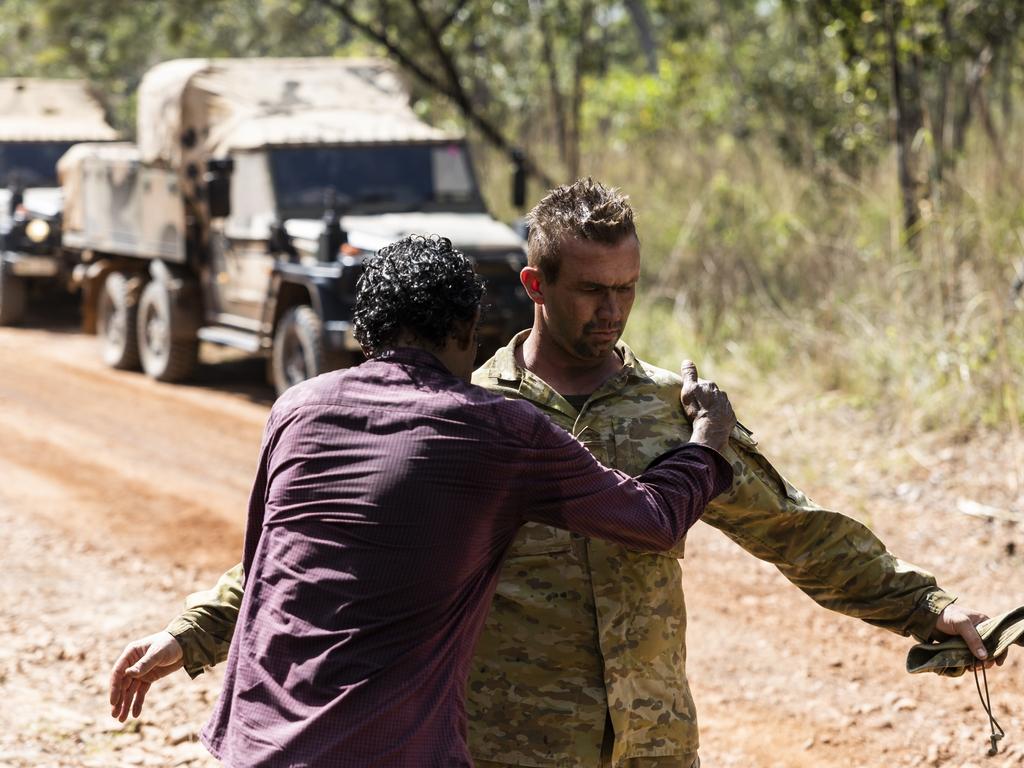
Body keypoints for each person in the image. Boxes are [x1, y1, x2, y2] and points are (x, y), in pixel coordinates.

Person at [111, 181, 994, 768]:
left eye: (628, 288)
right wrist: (194, 636)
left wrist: (926, 606)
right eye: (589, 291)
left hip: (647, 742)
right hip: (503, 744)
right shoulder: (473, 414)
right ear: (534, 282)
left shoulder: (669, 412)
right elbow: (321, 550)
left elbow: (795, 529)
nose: (611, 310)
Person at [111, 234, 737, 767]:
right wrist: (707, 440)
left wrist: (184, 636)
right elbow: (651, 519)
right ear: (468, 331)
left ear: (366, 332)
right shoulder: (497, 429)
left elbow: (271, 569)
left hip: (253, 747)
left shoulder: (297, 411)